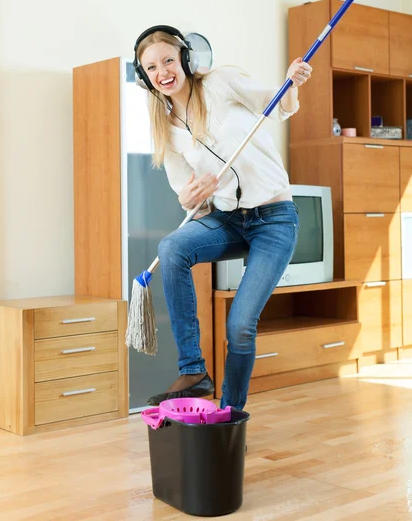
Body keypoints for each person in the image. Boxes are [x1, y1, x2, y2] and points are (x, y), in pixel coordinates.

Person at [133, 25, 312, 410]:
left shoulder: (221, 83)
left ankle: (230, 415)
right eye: (151, 68)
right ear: (144, 77)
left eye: (168, 60)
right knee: (173, 247)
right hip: (230, 218)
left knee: (240, 327)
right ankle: (193, 370)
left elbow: (279, 104)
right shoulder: (165, 129)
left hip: (275, 218)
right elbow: (187, 196)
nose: (163, 72)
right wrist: (191, 195)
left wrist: (291, 82)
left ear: (185, 58)